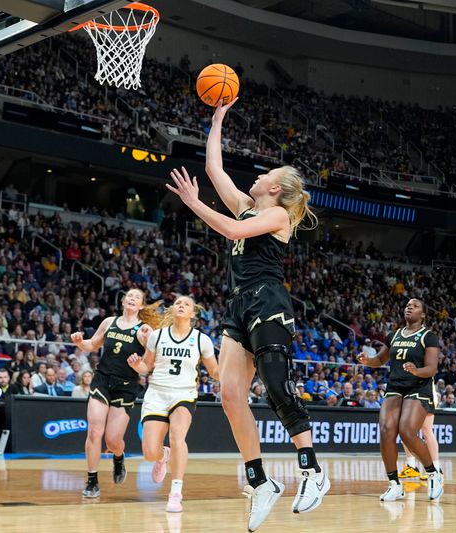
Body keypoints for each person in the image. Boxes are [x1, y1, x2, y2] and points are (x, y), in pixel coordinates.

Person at [166, 98, 328, 531]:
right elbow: (215, 170)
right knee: (230, 395)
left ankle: (313, 471)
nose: (257, 176)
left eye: (265, 175)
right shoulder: (250, 205)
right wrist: (218, 119)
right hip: (239, 302)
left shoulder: (276, 215)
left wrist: (193, 203)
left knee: (276, 384)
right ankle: (260, 482)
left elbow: (234, 231)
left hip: (269, 299)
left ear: (275, 188)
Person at [128, 295, 219, 513]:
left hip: (184, 395)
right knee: (150, 453)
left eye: (186, 304)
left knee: (178, 436)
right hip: (157, 394)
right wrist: (136, 365)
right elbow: (146, 367)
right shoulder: (157, 336)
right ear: (173, 309)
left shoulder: (201, 340)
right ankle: (162, 456)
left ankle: (176, 492)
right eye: (178, 303)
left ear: (192, 314)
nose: (181, 305)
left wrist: (234, 372)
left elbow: (215, 371)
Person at [70, 288, 156, 499]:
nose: (132, 298)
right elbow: (93, 344)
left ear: (141, 305)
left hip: (126, 385)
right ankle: (92, 480)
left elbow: (149, 364)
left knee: (112, 441)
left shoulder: (145, 330)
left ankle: (119, 456)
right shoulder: (109, 322)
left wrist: (139, 364)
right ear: (124, 301)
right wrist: (80, 342)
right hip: (102, 380)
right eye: (130, 296)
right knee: (94, 431)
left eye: (137, 297)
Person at [357, 298, 443, 502]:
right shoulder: (394, 335)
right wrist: (368, 361)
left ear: (422, 314)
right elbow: (380, 359)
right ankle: (394, 484)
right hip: (396, 386)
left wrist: (416, 370)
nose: (409, 307)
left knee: (407, 431)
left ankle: (433, 474)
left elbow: (432, 368)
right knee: (387, 430)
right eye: (407, 305)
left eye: (414, 306)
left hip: (419, 386)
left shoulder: (428, 336)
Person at [399, 387, 441, 482]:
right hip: (410, 395)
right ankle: (411, 466)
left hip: (425, 394)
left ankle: (436, 469)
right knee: (405, 431)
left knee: (426, 431)